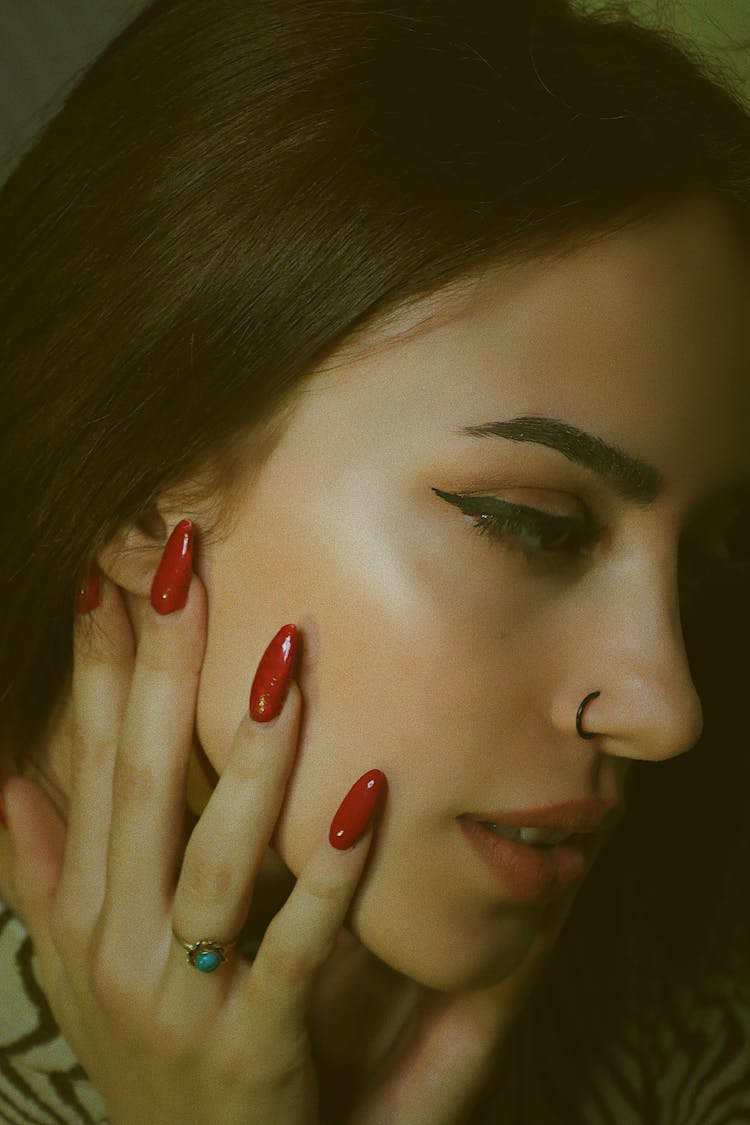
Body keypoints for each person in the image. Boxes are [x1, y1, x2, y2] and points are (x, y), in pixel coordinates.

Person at [1, 0, 749, 1120]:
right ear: (144, 492)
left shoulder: (678, 965)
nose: (663, 710)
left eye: (706, 554)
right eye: (534, 525)